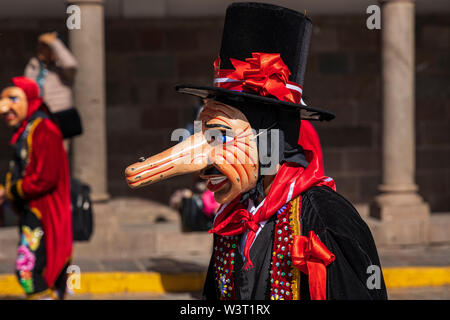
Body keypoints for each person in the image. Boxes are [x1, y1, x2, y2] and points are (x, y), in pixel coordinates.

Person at [125, 3, 387, 300]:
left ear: (270, 140)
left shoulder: (327, 220)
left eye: (221, 135)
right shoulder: (236, 214)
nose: (202, 167)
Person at [0, 76, 72, 299]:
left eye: (13, 98)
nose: (4, 108)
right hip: (33, 212)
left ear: (30, 99)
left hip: (44, 213)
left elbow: (44, 178)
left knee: (28, 271)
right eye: (2, 100)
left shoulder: (43, 129)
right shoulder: (28, 129)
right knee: (40, 272)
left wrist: (9, 191)